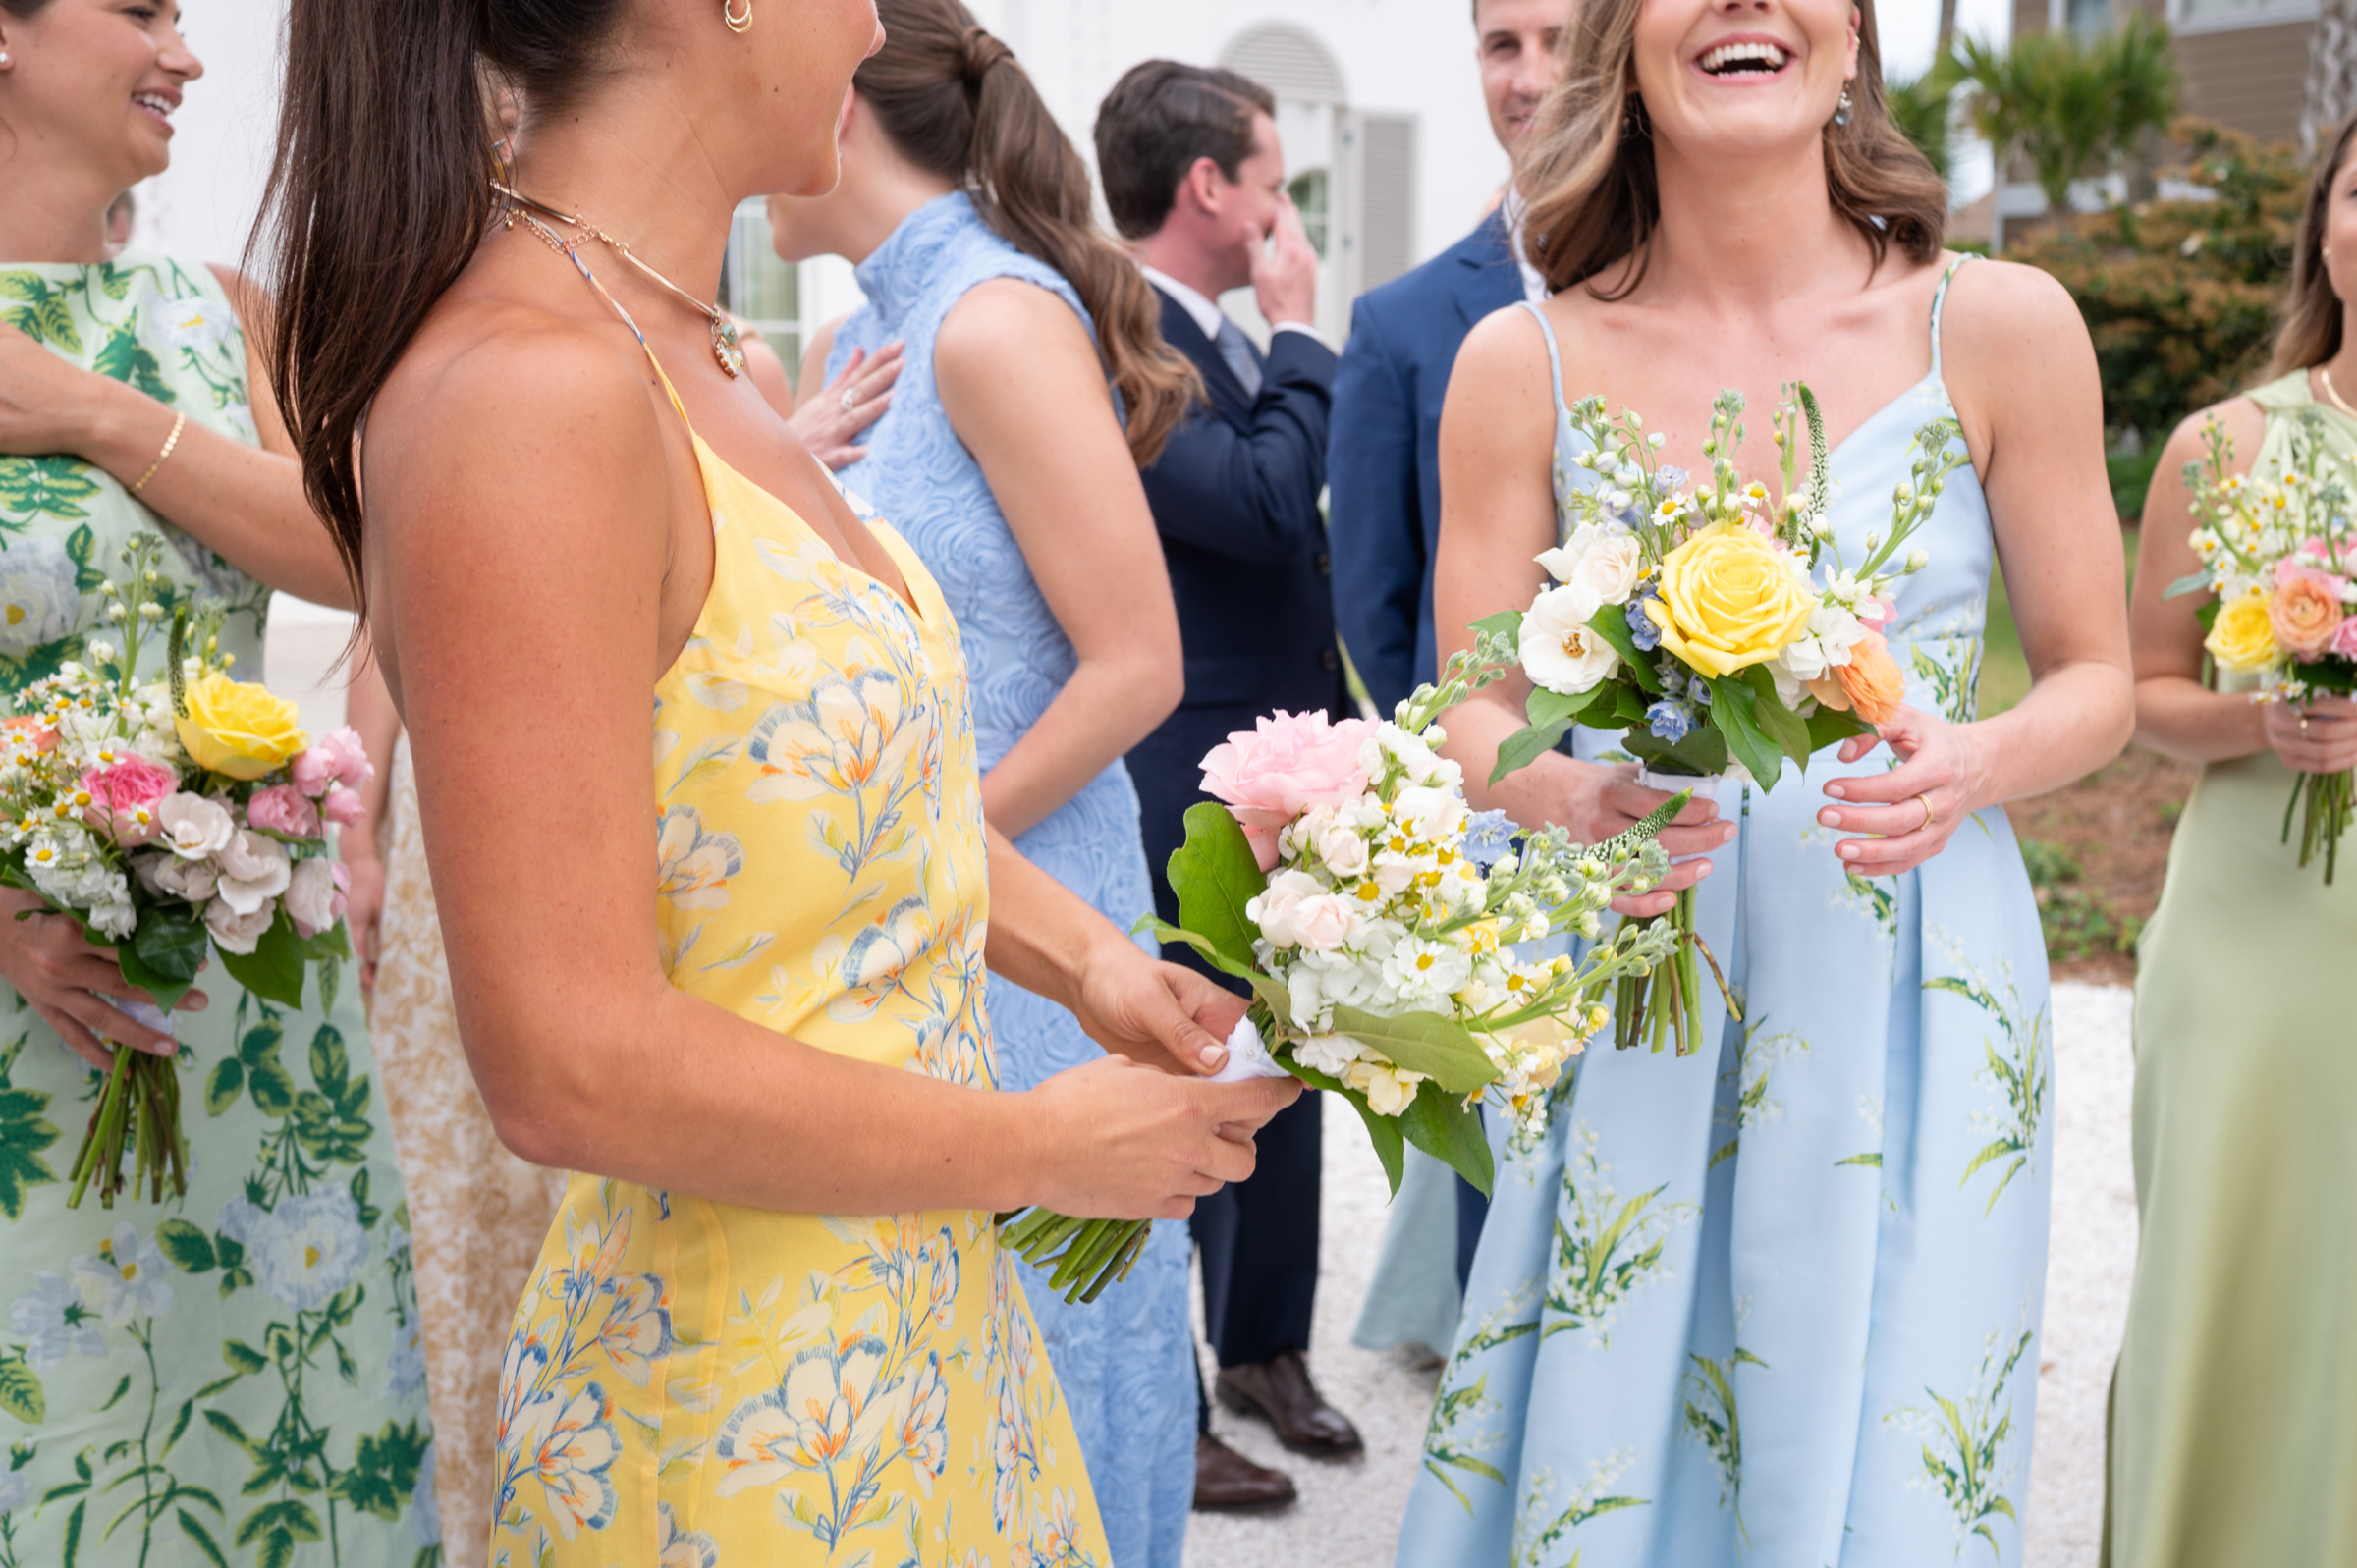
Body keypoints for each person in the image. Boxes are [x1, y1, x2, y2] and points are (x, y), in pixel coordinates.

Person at [263, 1, 1296, 1565]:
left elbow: (846, 809)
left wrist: (1092, 962)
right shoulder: (524, 393)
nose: (880, 23)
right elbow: (565, 1059)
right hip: (740, 1413)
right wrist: (1037, 1146)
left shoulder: (695, 349)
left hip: (916, 1326)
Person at [1393, 1, 2134, 1562]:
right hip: (1640, 986)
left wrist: (1975, 757)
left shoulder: (2001, 326)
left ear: (1852, 40)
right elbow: (1470, 706)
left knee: (1896, 1469)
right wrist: (1559, 798)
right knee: (1618, 1453)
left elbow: (2099, 680)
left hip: (1919, 988)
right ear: (1626, 43)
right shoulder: (1517, 361)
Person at [335, 340, 905, 1568]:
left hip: (669, 847)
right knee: (474, 1209)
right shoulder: (474, 365)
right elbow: (398, 614)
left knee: (643, 1212)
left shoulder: (722, 360)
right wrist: (365, 805)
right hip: (477, 840)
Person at [761, 8, 1210, 1561]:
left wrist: (936, 846)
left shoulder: (995, 320)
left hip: (1032, 931)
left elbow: (1136, 660)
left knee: (1048, 1342)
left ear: (845, 108)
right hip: (905, 934)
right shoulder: (857, 344)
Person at [0, 2, 438, 1563]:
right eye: (138, 10)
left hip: (257, 1003)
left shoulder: (218, 310)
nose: (184, 52)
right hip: (20, 1021)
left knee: (277, 1443)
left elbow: (364, 550)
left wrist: (98, 414)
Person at [1092, 59, 1358, 1513]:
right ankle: (1175, 1401)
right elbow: (1263, 509)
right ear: (1211, 190)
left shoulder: (1212, 337)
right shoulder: (1117, 338)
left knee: (1293, 1056)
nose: (1281, 211)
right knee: (1191, 1065)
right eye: (1272, 181)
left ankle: (1266, 1347)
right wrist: (1303, 328)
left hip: (1285, 758)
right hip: (1178, 775)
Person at [2106, 115, 2357, 1567]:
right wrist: (2263, 724)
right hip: (2253, 933)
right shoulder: (2229, 444)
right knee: (2236, 1261)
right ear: (2323, 227)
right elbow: (2142, 693)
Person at [1330, 0, 1571, 1360]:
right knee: (1497, 1111)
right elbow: (1373, 588)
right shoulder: (1407, 319)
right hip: (1491, 804)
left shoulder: (1696, 294)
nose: (1528, 77)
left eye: (1556, 40)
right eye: (1500, 45)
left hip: (1676, 781)